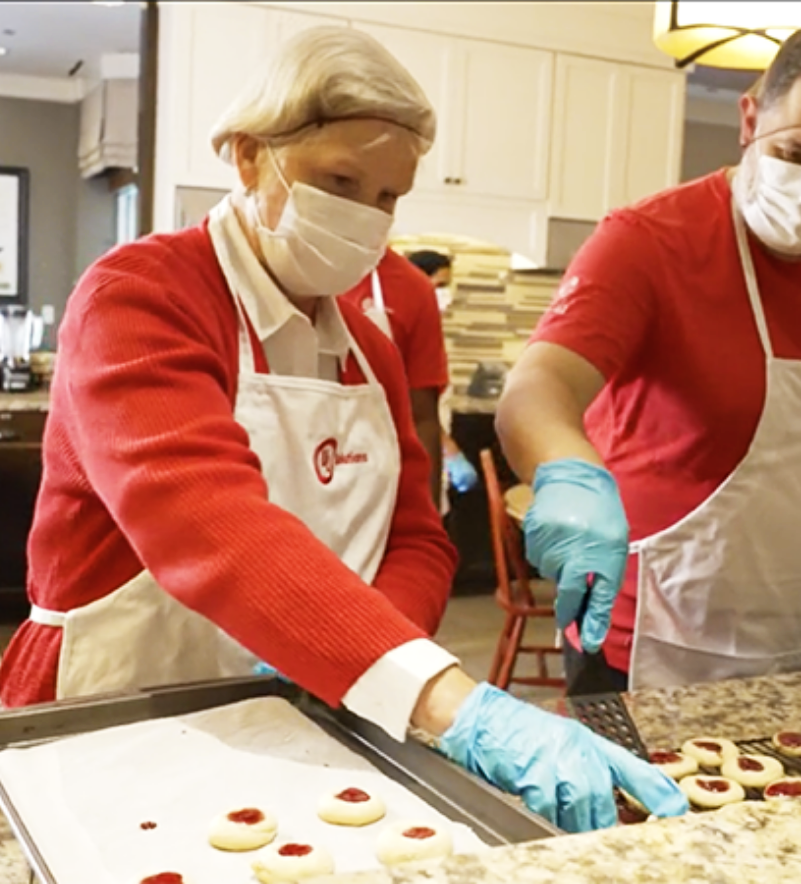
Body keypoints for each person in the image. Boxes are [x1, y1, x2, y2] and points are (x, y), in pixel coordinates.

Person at [0, 27, 685, 831]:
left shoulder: (369, 348)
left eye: (388, 196)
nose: (366, 217)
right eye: (340, 181)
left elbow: (418, 539)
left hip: (311, 718)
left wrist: (354, 665)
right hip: (117, 711)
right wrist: (451, 705)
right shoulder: (141, 296)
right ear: (250, 156)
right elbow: (208, 525)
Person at [496, 21, 801, 692]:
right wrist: (570, 477)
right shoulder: (647, 240)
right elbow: (538, 387)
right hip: (651, 638)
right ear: (750, 118)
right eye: (794, 152)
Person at [340, 249, 449, 505]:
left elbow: (422, 417)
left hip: (379, 480)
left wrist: (428, 512)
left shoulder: (413, 288)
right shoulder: (275, 276)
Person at [403, 249, 479, 498]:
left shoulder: (429, 332)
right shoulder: (404, 333)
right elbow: (414, 408)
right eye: (440, 286)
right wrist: (451, 452)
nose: (446, 295)